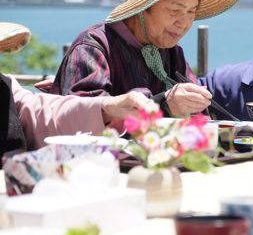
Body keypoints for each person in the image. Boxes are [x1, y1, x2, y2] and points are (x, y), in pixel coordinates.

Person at [49, 0, 244, 117]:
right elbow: (82, 116)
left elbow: (198, 117)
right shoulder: (93, 48)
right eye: (175, 10)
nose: (184, 23)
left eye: (191, 11)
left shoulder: (172, 52)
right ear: (143, 7)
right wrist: (166, 105)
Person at [0, 22, 150, 160]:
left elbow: (39, 112)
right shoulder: (92, 45)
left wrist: (106, 108)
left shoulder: (5, 87)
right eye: (173, 10)